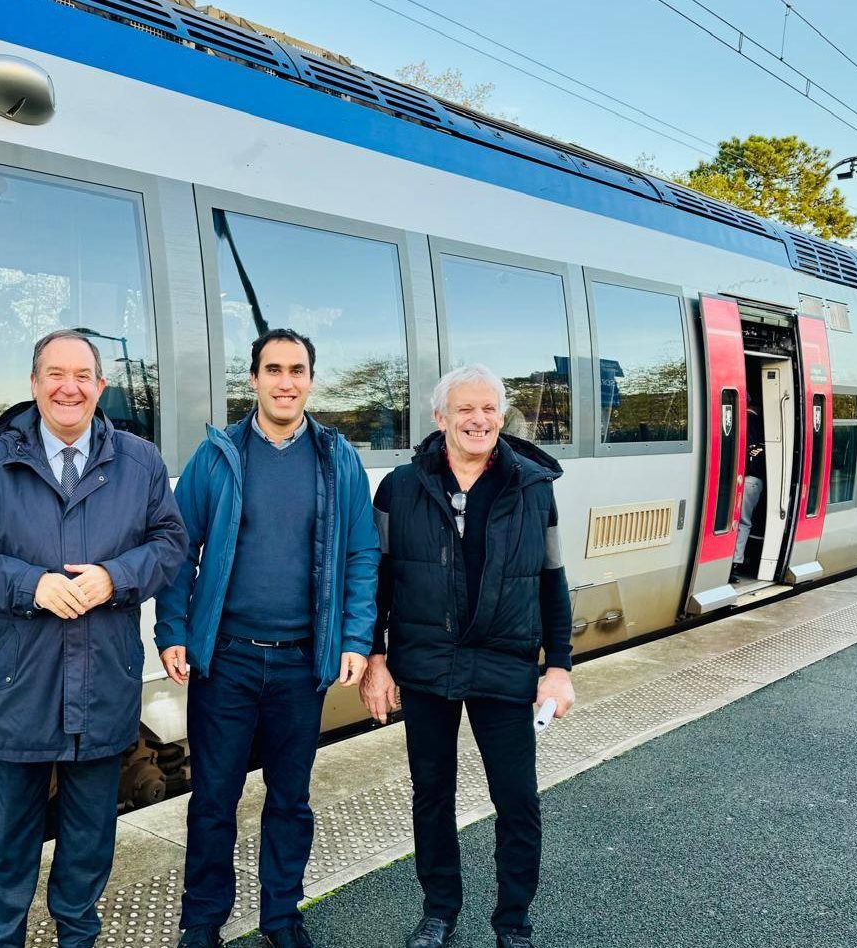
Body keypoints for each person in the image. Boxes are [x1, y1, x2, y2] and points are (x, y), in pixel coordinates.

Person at [0, 330, 187, 948]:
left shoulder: (141, 462)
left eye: (82, 376)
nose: (68, 387)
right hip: (21, 682)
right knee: (9, 841)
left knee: (89, 838)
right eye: (54, 374)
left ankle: (79, 937)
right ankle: (4, 941)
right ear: (33, 383)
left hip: (104, 680)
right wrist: (31, 586)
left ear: (102, 386)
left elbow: (170, 545)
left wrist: (113, 579)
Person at [156, 329, 380, 948]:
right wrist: (172, 629)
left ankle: (282, 915)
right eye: (273, 369)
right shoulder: (219, 455)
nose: (286, 381)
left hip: (301, 666)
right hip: (224, 661)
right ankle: (203, 920)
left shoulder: (339, 459)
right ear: (252, 379)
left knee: (290, 800)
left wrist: (356, 639)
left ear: (311, 380)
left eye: (298, 370)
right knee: (213, 800)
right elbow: (177, 551)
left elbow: (362, 554)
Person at [362, 364, 576, 948]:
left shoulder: (534, 487)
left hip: (504, 666)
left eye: (488, 409)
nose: (478, 419)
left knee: (516, 799)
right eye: (464, 409)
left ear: (501, 418)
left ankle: (514, 923)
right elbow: (377, 581)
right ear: (440, 419)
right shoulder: (399, 490)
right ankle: (439, 911)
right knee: (431, 794)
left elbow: (551, 581)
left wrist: (557, 667)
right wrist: (375, 659)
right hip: (426, 665)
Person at [732, 394, 765, 581]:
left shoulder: (737, 418)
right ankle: (735, 562)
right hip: (752, 479)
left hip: (734, 478)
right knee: (744, 522)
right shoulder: (756, 421)